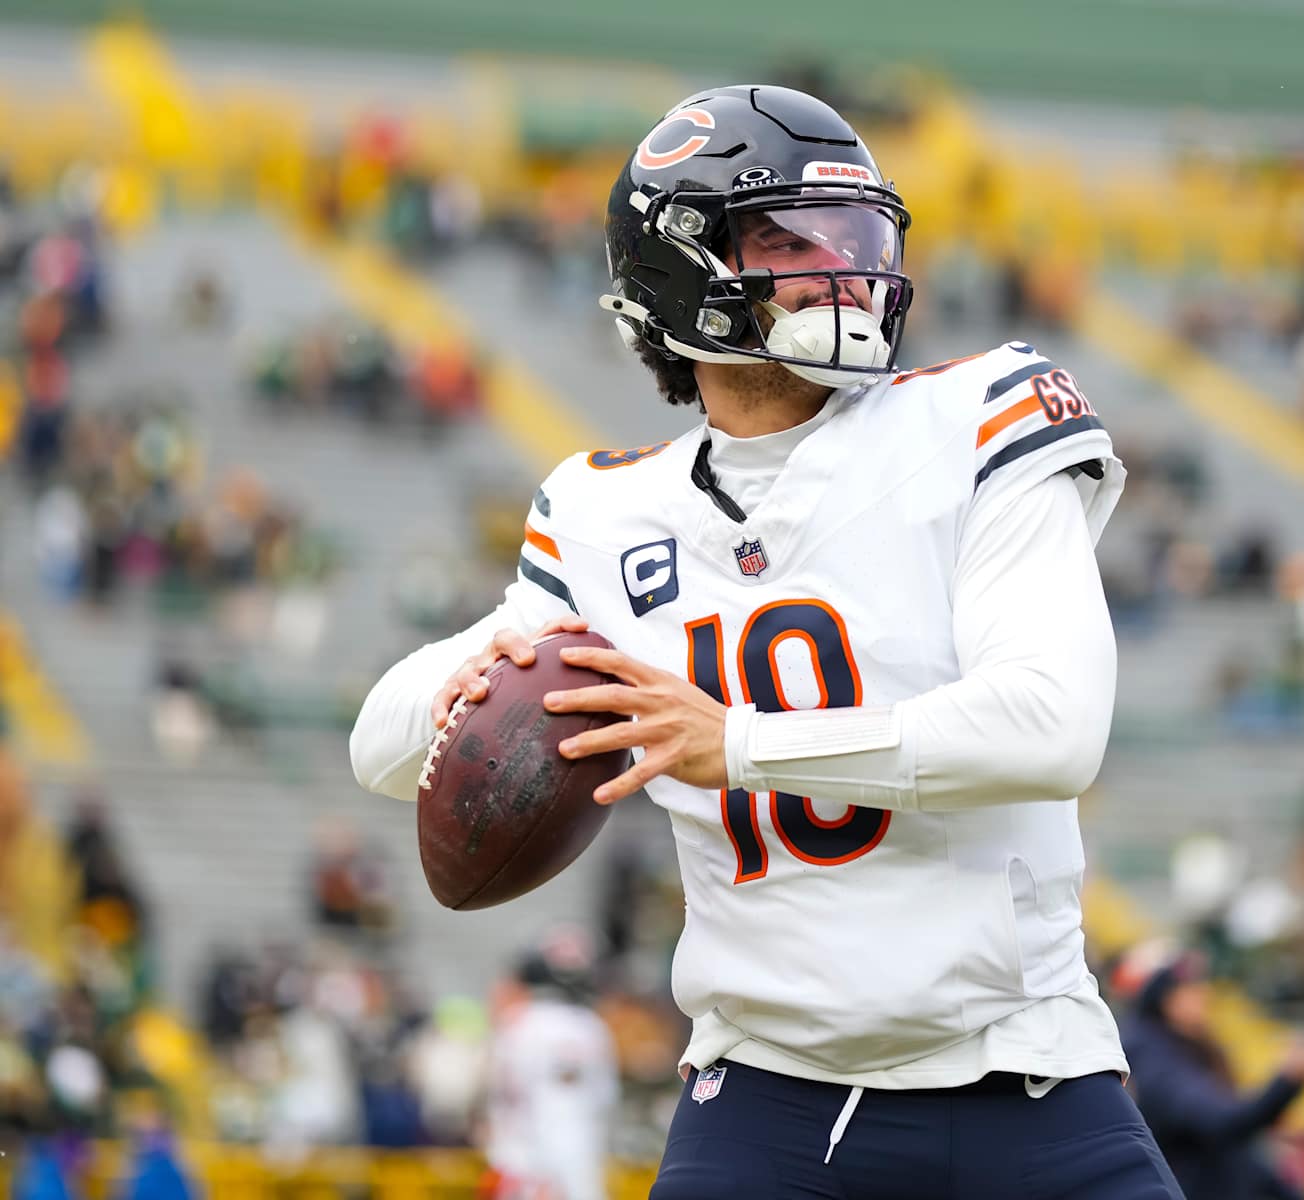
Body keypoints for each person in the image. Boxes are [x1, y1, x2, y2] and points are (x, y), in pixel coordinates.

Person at [350, 86, 1175, 1198]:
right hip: (765, 1105)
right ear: (679, 270)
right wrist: (495, 667)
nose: (845, 273)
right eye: (790, 241)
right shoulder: (608, 516)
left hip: (1023, 1076)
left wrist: (735, 744)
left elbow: (1052, 729)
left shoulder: (980, 416)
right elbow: (384, 749)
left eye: (856, 238)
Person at [1119, 949, 1304, 1200]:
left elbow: (1235, 1148)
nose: (1204, 995)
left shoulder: (1186, 1044)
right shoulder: (1152, 1055)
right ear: (1162, 996)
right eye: (1189, 987)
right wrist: (1285, 1083)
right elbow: (1222, 1123)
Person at [484, 930, 618, 1200]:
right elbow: (602, 1100)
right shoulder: (590, 1026)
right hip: (570, 1161)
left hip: (523, 1161)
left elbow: (510, 1097)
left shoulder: (518, 1024)